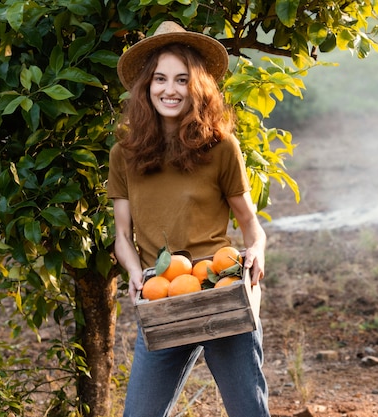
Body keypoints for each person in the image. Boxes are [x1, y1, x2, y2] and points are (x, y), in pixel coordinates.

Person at [107, 20, 270, 417]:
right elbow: (122, 236)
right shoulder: (124, 153)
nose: (170, 89)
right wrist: (132, 271)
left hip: (219, 290)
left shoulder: (220, 147)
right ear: (147, 86)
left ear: (196, 87)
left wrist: (257, 251)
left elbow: (249, 221)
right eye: (160, 79)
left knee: (249, 411)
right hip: (162, 295)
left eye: (182, 79)